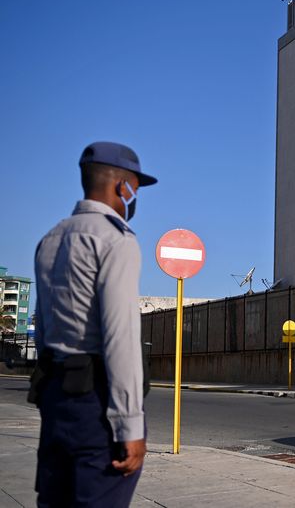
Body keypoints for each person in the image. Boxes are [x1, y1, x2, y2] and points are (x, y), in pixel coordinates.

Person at [30, 141, 156, 507]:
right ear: (123, 186)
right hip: (95, 403)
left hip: (55, 395)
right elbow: (120, 337)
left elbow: (43, 326)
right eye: (135, 187)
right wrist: (129, 425)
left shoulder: (49, 239)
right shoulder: (116, 240)